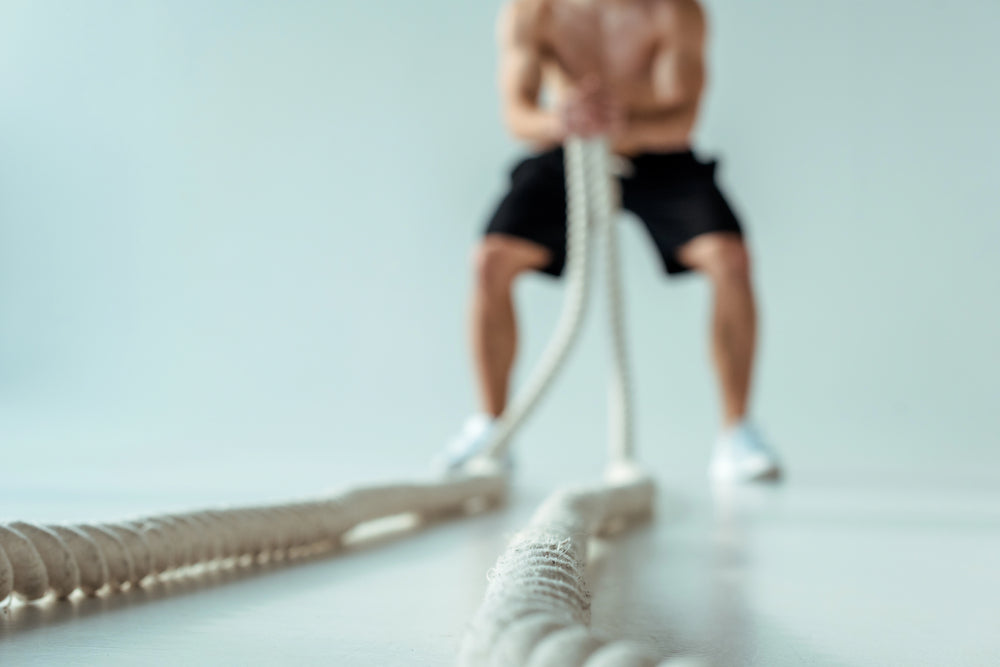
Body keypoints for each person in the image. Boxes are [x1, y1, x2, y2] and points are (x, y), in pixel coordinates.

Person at [440, 0, 781, 482]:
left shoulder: (673, 11)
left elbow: (681, 117)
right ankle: (490, 429)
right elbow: (517, 114)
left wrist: (622, 121)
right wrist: (562, 122)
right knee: (490, 261)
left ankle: (737, 433)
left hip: (656, 152)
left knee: (730, 259)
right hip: (568, 143)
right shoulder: (534, 11)